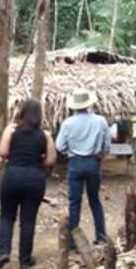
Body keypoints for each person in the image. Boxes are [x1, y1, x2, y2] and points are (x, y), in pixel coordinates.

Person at [0, 99, 57, 269]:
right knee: (28, 220)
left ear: (21, 112)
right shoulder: (45, 135)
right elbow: (51, 159)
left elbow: (3, 152)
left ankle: (4, 251)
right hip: (35, 178)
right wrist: (38, 162)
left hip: (12, 175)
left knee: (7, 216)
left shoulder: (11, 130)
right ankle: (24, 259)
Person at [55, 88, 111, 246]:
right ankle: (101, 236)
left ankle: (73, 240)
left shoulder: (68, 123)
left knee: (74, 202)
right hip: (93, 162)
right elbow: (107, 145)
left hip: (75, 163)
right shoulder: (100, 121)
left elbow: (59, 146)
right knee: (94, 200)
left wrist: (70, 151)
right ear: (88, 104)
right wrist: (100, 154)